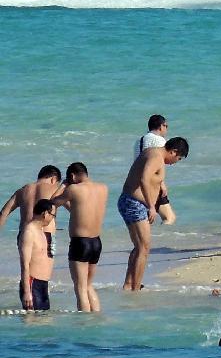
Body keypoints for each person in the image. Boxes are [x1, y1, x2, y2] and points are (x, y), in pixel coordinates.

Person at [120, 138, 189, 290]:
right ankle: (135, 289)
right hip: (135, 203)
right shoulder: (157, 157)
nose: (175, 162)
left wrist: (160, 185)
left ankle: (128, 285)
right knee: (144, 248)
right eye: (177, 159)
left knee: (139, 246)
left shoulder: (152, 152)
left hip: (129, 200)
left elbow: (148, 177)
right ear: (173, 151)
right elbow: (144, 178)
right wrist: (151, 206)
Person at [50, 163, 107, 312]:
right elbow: (79, 208)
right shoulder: (103, 188)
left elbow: (52, 202)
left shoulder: (73, 189)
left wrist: (63, 185)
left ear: (73, 176)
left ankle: (84, 325)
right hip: (96, 242)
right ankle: (96, 317)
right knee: (89, 285)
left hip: (80, 243)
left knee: (80, 288)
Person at [1, 165, 62, 259]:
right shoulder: (55, 189)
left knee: (26, 267)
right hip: (45, 235)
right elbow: (74, 208)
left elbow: (3, 213)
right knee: (44, 270)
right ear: (54, 179)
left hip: (24, 234)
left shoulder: (21, 191)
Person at [133, 114, 176, 224]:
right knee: (169, 218)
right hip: (152, 183)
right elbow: (156, 165)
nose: (166, 129)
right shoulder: (160, 141)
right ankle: (165, 239)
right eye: (166, 126)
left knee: (146, 219)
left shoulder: (139, 141)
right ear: (161, 126)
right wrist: (162, 184)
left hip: (137, 184)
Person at [18, 199, 55, 310]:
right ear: (45, 214)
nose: (53, 218)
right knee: (32, 322)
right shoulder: (29, 232)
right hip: (32, 284)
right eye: (52, 215)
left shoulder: (41, 231)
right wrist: (27, 292)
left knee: (44, 324)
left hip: (43, 285)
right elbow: (24, 264)